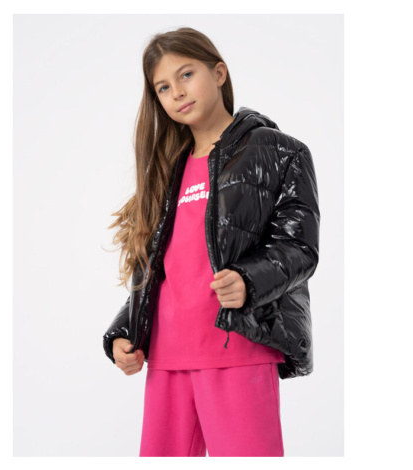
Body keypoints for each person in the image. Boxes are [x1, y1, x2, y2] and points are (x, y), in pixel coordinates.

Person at [102, 27, 320, 457]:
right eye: (164, 87)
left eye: (186, 74)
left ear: (218, 73)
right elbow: (159, 268)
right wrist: (124, 331)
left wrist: (249, 279)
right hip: (167, 357)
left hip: (236, 347)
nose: (177, 92)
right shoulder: (165, 170)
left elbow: (300, 247)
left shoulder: (279, 152)